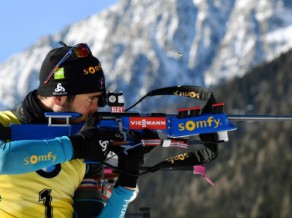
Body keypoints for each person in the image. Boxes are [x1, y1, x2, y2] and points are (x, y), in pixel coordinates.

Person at [0, 42, 154, 217]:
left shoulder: (87, 148)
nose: (96, 109)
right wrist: (78, 147)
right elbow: (3, 160)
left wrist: (127, 181)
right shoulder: (4, 123)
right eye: (91, 100)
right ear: (59, 97)